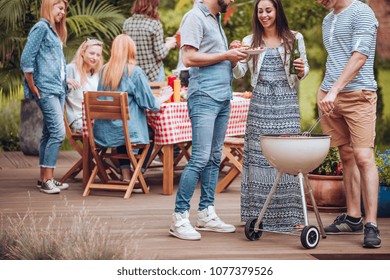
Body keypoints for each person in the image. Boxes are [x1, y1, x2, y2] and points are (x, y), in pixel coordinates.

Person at [169, 0, 248, 241]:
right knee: (201, 158)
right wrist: (226, 53)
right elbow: (189, 58)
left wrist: (231, 58)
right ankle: (179, 218)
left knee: (214, 158)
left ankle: (205, 212)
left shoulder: (214, 19)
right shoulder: (194, 17)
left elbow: (214, 58)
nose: (232, 1)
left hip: (222, 97)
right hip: (204, 97)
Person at [233, 0, 309, 231]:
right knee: (259, 158)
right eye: (260, 11)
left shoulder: (295, 38)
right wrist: (238, 58)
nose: (264, 15)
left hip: (286, 104)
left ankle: (292, 215)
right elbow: (239, 74)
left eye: (268, 10)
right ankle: (257, 215)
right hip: (260, 103)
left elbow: (303, 71)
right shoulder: (249, 41)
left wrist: (303, 70)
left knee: (288, 157)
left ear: (277, 11)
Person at [316, 0, 380, 248]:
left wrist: (335, 89)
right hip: (330, 97)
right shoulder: (328, 19)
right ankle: (353, 217)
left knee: (364, 157)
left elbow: (360, 55)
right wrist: (325, 91)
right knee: (346, 156)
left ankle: (371, 223)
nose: (320, 2)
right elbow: (335, 57)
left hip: (358, 96)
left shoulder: (362, 12)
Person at [93, 34, 172, 183]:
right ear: (131, 50)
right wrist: (163, 98)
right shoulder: (134, 72)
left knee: (123, 128)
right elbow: (149, 103)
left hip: (104, 130)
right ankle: (137, 172)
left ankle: (126, 174)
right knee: (152, 133)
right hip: (127, 131)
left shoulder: (104, 70)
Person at [20, 0, 69, 194]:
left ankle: (45, 179)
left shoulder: (54, 32)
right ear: (49, 7)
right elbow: (26, 59)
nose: (63, 12)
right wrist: (32, 85)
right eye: (60, 8)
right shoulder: (40, 27)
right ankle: (47, 179)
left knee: (49, 133)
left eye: (64, 9)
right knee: (58, 132)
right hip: (46, 89)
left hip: (58, 89)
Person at [123, 0, 176, 82]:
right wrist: (168, 44)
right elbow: (160, 54)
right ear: (153, 6)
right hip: (153, 76)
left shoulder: (127, 24)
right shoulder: (154, 24)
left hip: (133, 75)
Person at [65, 38, 104, 134]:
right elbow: (55, 84)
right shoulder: (72, 69)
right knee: (104, 132)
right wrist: (65, 81)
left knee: (118, 130)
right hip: (78, 120)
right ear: (82, 53)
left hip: (96, 119)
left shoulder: (98, 74)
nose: (95, 57)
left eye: (98, 55)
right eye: (92, 53)